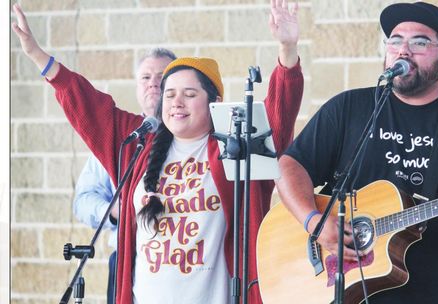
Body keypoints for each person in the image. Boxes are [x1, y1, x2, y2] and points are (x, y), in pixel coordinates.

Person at [12, 0, 303, 302]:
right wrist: (37, 55)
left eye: (190, 94)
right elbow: (84, 101)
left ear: (214, 100)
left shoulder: (235, 146)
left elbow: (279, 113)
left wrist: (287, 49)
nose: (177, 102)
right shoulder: (139, 144)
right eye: (170, 94)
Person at [275, 2, 438, 303]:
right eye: (395, 40)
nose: (403, 50)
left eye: (419, 42)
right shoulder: (349, 108)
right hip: (349, 292)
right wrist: (314, 222)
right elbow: (290, 166)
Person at [73, 48, 175, 304]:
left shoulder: (192, 138)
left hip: (179, 260)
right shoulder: (120, 140)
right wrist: (117, 210)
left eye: (161, 78)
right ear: (136, 86)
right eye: (145, 77)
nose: (153, 83)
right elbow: (83, 201)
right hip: (127, 258)